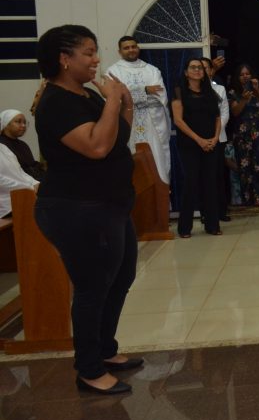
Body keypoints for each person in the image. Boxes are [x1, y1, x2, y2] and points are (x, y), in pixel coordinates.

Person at [33, 24, 143, 395]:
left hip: (109, 205)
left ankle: (105, 350)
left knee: (121, 277)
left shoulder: (85, 95)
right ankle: (90, 370)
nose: (97, 60)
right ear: (64, 59)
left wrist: (124, 103)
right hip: (77, 209)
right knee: (93, 287)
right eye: (89, 52)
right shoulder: (56, 103)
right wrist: (112, 101)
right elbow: (96, 147)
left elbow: (116, 139)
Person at [104, 35, 171, 184]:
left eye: (133, 46)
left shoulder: (152, 70)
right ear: (119, 51)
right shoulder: (112, 72)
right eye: (126, 48)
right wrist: (145, 90)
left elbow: (159, 98)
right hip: (127, 125)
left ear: (138, 48)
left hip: (152, 125)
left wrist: (128, 95)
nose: (131, 50)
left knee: (156, 161)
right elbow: (113, 99)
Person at [171, 58, 222, 238]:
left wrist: (215, 138)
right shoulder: (179, 92)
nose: (197, 70)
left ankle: (212, 225)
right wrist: (199, 140)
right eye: (193, 67)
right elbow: (178, 121)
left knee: (210, 183)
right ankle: (184, 228)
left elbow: (217, 118)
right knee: (191, 183)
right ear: (186, 72)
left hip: (210, 143)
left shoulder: (210, 92)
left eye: (200, 67)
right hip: (189, 144)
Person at [228, 63, 259, 207]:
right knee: (245, 168)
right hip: (242, 135)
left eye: (247, 74)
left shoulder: (258, 90)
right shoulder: (233, 93)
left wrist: (258, 89)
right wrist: (244, 99)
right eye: (242, 74)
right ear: (237, 77)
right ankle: (249, 200)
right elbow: (235, 112)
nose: (245, 76)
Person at [201, 57, 231, 223]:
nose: (203, 70)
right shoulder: (192, 90)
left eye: (206, 67)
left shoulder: (219, 89)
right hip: (200, 139)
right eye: (200, 67)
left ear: (211, 70)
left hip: (218, 138)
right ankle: (205, 212)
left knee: (218, 175)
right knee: (204, 177)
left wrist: (215, 132)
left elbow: (224, 113)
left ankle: (221, 211)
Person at [0, 109, 45, 181]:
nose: (23, 125)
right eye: (18, 122)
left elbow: (32, 165)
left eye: (24, 122)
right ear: (6, 124)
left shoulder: (23, 145)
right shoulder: (2, 145)